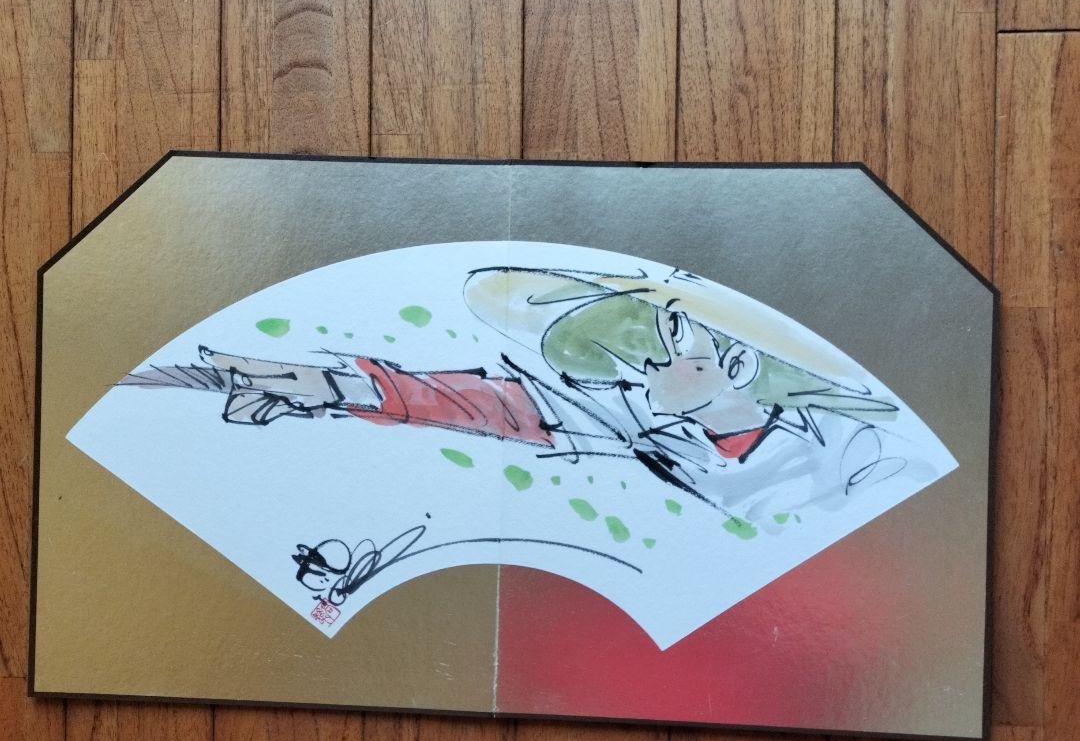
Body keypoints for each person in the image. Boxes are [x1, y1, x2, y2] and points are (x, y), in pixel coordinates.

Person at [123, 265, 905, 516]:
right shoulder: (639, 421)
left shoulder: (860, 456)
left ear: (738, 364)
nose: (635, 362)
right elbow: (487, 405)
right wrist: (320, 383)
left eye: (668, 340)